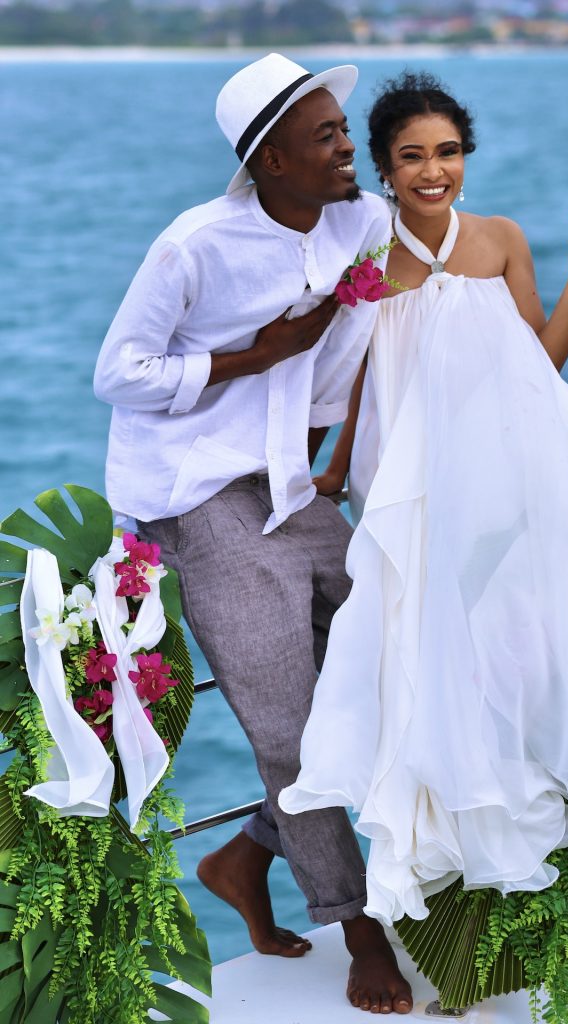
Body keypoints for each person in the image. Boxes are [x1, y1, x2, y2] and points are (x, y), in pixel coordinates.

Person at [279, 72, 568, 934]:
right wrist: (331, 468)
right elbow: (352, 380)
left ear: (466, 155)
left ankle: (507, 861)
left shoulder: (499, 239)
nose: (433, 171)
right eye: (411, 156)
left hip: (509, 480)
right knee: (416, 658)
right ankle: (437, 874)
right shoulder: (364, 256)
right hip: (409, 491)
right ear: (383, 168)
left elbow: (543, 361)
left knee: (512, 652)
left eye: (448, 152)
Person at [94, 54, 415, 1015]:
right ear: (271, 161)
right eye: (324, 136)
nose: (346, 145)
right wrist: (251, 356)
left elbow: (357, 340)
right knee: (287, 731)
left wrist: (334, 450)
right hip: (195, 496)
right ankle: (354, 926)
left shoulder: (362, 220)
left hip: (291, 486)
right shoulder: (194, 246)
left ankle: (243, 858)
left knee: (397, 658)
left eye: (342, 128)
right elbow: (119, 372)